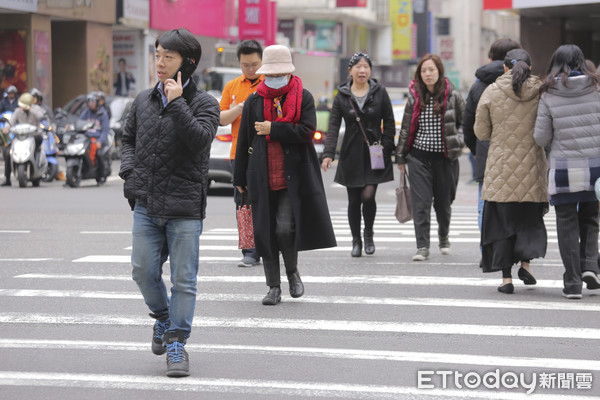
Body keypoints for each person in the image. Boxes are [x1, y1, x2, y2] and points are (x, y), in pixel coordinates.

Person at [119, 28, 219, 377]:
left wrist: (177, 104)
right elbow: (127, 140)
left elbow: (200, 141)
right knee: (142, 271)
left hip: (185, 206)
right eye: (157, 55)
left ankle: (176, 343)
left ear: (187, 63)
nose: (160, 63)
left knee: (184, 280)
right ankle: (163, 318)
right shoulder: (143, 100)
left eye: (168, 57)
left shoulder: (205, 103)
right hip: (146, 201)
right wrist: (130, 174)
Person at [233, 45, 336, 306]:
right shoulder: (255, 100)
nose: (275, 77)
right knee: (266, 232)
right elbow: (244, 139)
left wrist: (273, 129)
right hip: (261, 176)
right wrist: (239, 179)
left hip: (293, 177)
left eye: (280, 72)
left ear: (289, 72)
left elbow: (307, 131)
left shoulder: (304, 97)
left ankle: (292, 273)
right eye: (271, 72)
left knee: (284, 228)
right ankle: (273, 287)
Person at [474, 48, 548, 294]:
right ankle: (526, 265)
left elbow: (481, 133)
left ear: (504, 67)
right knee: (528, 219)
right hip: (531, 168)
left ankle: (506, 281)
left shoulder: (492, 91)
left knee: (502, 225)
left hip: (501, 169)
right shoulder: (541, 91)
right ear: (530, 66)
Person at [534, 44, 600, 299]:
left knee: (566, 224)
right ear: (581, 62)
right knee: (591, 219)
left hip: (563, 170)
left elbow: (541, 138)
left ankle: (572, 283)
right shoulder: (596, 89)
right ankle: (591, 266)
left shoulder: (548, 94)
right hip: (595, 169)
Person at [321, 52, 395, 257]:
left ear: (370, 70)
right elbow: (334, 125)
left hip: (375, 153)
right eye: (358, 67)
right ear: (350, 70)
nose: (362, 70)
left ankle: (368, 234)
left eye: (366, 67)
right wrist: (328, 153)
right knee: (354, 200)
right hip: (351, 154)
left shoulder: (380, 92)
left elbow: (389, 122)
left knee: (369, 195)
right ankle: (356, 241)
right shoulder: (342, 95)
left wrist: (386, 147)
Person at [396, 54, 465, 262]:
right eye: (423, 71)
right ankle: (422, 246)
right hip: (418, 158)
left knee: (444, 204)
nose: (427, 74)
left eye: (431, 70)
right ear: (419, 74)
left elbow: (465, 122)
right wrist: (400, 157)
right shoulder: (414, 96)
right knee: (421, 203)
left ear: (439, 72)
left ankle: (443, 237)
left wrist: (459, 141)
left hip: (446, 159)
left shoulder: (452, 95)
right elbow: (406, 128)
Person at [463, 39, 521, 233]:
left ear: (490, 57)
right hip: (518, 153)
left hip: (486, 151)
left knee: (485, 205)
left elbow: (468, 123)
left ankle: (486, 252)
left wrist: (475, 149)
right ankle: (511, 251)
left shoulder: (478, 85)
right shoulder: (523, 82)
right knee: (515, 204)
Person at [219, 39, 264, 268]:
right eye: (246, 65)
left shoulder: (270, 83)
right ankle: (249, 251)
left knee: (266, 200)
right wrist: (239, 108)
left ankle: (268, 246)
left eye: (255, 64)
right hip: (239, 154)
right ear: (239, 62)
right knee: (242, 202)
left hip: (266, 151)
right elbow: (220, 119)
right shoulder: (232, 86)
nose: (251, 69)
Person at [1, 92, 46, 186]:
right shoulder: (18, 111)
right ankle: (7, 178)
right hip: (20, 136)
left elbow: (41, 117)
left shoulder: (36, 109)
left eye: (24, 105)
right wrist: (6, 128)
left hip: (34, 135)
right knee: (8, 153)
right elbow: (11, 121)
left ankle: (39, 168)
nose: (22, 107)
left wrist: (31, 110)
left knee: (38, 148)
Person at [79, 92, 110, 184]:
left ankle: (101, 175)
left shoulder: (103, 114)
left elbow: (105, 131)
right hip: (87, 138)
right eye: (89, 101)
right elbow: (79, 123)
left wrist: (100, 141)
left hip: (98, 139)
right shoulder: (86, 113)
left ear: (97, 102)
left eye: (92, 101)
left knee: (99, 154)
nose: (90, 104)